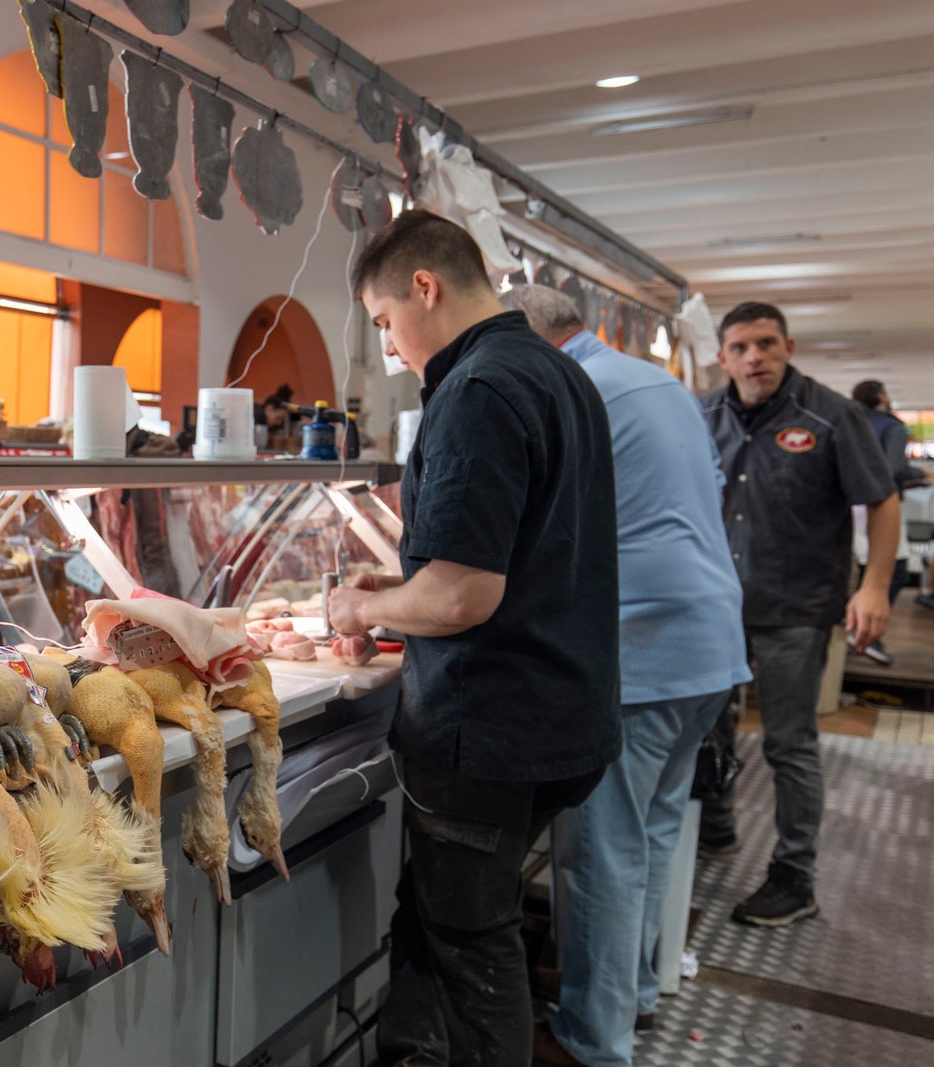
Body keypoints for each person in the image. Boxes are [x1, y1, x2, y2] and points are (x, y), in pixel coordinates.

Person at [327, 213, 621, 1067]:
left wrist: (362, 612)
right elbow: (522, 551)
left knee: (471, 946)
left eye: (384, 321)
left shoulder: (478, 388)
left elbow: (462, 596)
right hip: (564, 712)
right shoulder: (558, 374)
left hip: (489, 730)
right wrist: (402, 586)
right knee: (434, 913)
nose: (387, 346)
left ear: (426, 287)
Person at [502, 286, 750, 1067]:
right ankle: (635, 992)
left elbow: (535, 530)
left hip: (643, 648)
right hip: (709, 641)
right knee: (652, 831)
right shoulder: (657, 382)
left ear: (534, 339)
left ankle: (593, 1038)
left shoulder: (571, 390)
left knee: (601, 850)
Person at [699, 302, 898, 926]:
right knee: (708, 728)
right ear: (723, 355)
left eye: (765, 344)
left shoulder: (831, 416)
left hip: (795, 607)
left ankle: (795, 877)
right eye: (740, 347)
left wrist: (875, 589)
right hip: (714, 605)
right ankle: (715, 825)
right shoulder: (702, 414)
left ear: (788, 345)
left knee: (790, 745)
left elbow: (884, 502)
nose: (754, 357)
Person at [850, 380, 925, 662]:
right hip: (879, 505)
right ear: (881, 396)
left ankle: (855, 628)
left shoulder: (853, 422)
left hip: (850, 503)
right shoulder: (892, 427)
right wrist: (919, 476)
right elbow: (893, 470)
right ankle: (865, 633)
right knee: (897, 570)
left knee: (862, 568)